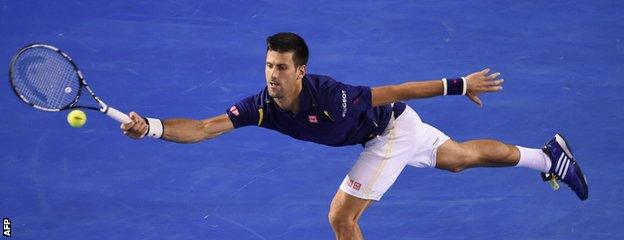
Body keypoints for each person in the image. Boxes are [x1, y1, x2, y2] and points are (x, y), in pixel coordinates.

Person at [121, 32, 588, 239]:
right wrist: (154, 128)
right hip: (390, 130)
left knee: (341, 217)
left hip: (389, 130)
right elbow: (204, 128)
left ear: (300, 70)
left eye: (282, 68)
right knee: (459, 157)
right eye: (268, 65)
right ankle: (547, 158)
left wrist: (459, 85)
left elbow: (396, 90)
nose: (272, 75)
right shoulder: (259, 106)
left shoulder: (333, 96)